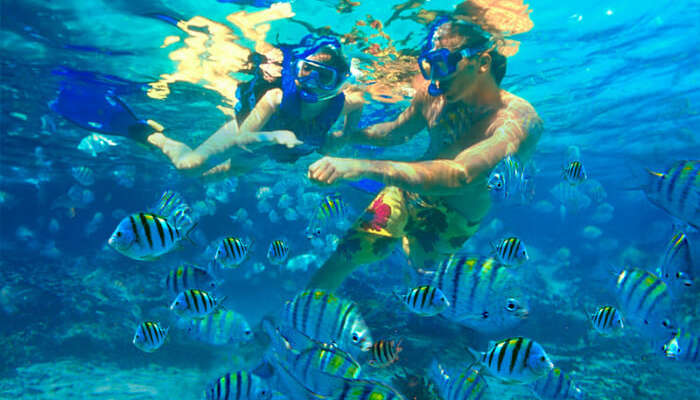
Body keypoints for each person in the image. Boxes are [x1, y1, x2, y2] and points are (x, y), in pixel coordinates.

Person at [305, 16, 543, 290]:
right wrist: (346, 137)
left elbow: (460, 175)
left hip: (455, 218)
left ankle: (411, 252)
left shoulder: (517, 121)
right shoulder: (433, 97)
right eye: (428, 65)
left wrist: (361, 167)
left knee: (424, 284)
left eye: (443, 63)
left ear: (483, 62)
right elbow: (396, 132)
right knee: (346, 254)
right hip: (407, 192)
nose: (434, 79)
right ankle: (297, 322)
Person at [144, 35, 364, 177]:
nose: (311, 81)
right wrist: (275, 136)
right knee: (189, 167)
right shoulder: (276, 98)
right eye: (306, 70)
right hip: (251, 133)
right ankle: (153, 135)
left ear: (338, 83)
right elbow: (241, 138)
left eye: (324, 76)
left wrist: (345, 135)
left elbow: (358, 103)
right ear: (296, 68)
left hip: (263, 154)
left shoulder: (338, 105)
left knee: (206, 179)